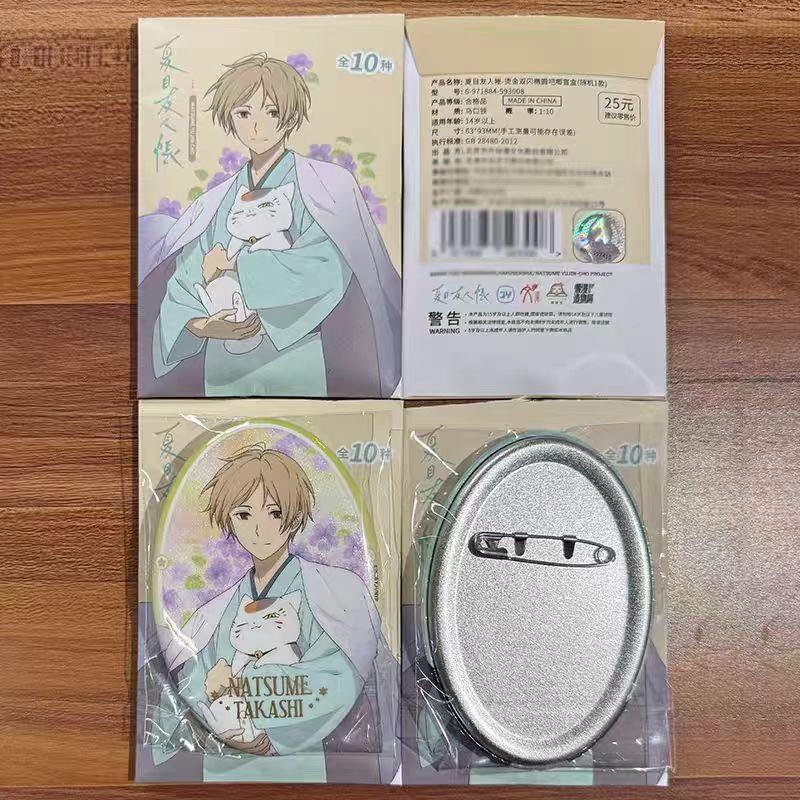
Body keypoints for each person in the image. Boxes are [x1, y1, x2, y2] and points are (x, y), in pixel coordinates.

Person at [141, 53, 400, 397]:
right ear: (230, 118)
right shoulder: (216, 200)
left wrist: (236, 265)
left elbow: (327, 266)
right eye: (244, 113)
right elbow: (187, 276)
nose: (257, 126)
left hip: (296, 356)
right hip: (223, 362)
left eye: (272, 112)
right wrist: (201, 325)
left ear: (290, 116)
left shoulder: (323, 186)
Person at [152, 445, 397, 782]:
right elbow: (195, 673)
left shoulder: (332, 591)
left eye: (275, 513)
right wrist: (217, 706)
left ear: (294, 516)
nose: (259, 529)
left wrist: (269, 732)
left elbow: (341, 674)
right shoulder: (221, 607)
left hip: (311, 759)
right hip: (225, 754)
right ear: (229, 520)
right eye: (244, 515)